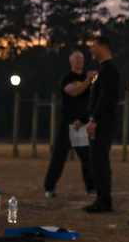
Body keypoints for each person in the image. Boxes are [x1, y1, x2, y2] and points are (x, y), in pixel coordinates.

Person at [43, 48, 95, 198]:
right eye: (77, 58)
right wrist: (88, 80)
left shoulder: (88, 78)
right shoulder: (67, 78)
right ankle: (50, 186)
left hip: (82, 122)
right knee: (59, 155)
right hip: (68, 121)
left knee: (86, 157)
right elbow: (74, 91)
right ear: (71, 61)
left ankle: (91, 187)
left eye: (82, 59)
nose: (80, 61)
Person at [81, 35, 120, 214]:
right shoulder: (103, 70)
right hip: (101, 121)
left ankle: (104, 201)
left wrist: (94, 119)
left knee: (100, 161)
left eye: (94, 46)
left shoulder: (109, 70)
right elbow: (96, 99)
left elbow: (105, 99)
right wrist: (84, 118)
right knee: (97, 161)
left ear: (103, 47)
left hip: (103, 123)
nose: (91, 49)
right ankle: (102, 199)